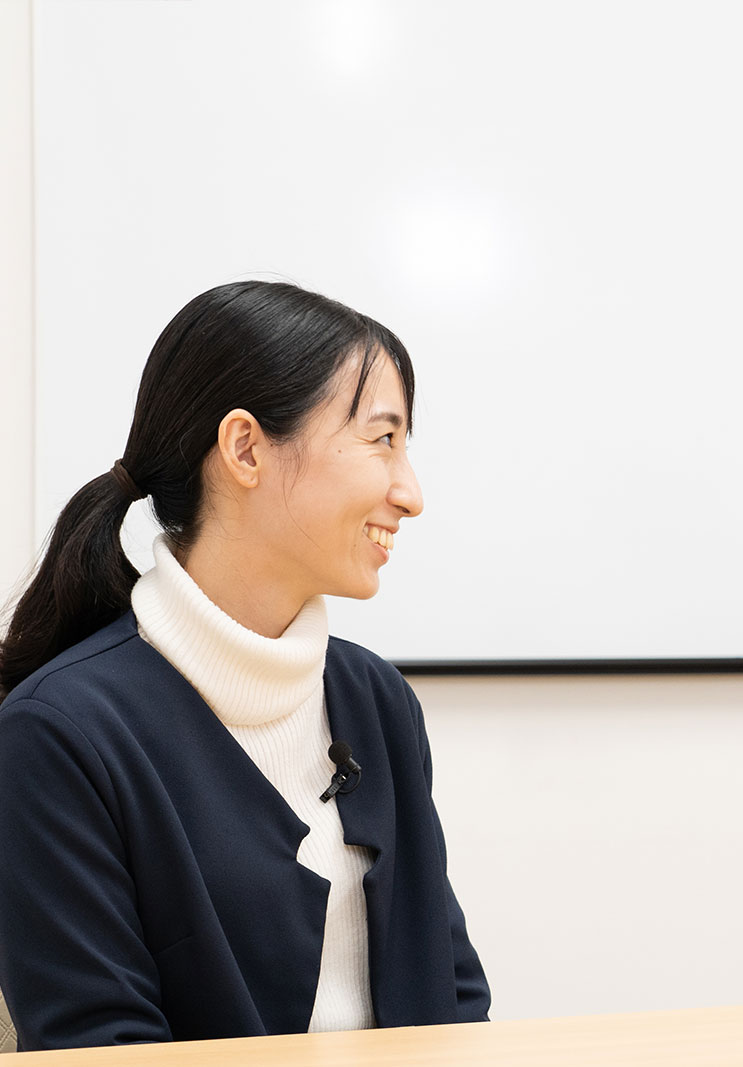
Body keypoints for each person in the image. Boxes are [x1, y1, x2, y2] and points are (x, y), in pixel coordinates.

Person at [0, 281, 491, 1048]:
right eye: (381, 439)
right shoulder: (58, 736)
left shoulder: (376, 699)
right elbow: (98, 1044)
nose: (410, 492)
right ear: (245, 448)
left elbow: (454, 999)